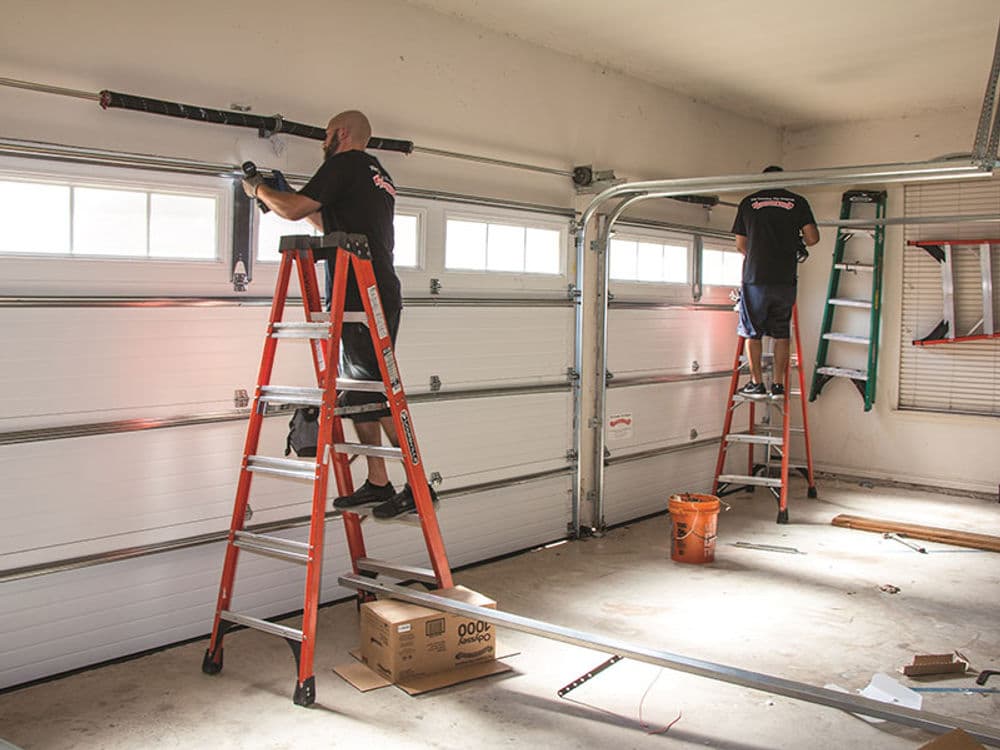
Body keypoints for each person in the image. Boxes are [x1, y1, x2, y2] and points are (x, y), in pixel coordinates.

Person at [243, 109, 427, 519]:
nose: (323, 142)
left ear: (340, 134)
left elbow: (291, 212)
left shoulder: (344, 163)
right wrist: (286, 193)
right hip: (364, 289)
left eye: (326, 135)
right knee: (362, 390)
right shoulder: (373, 172)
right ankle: (379, 481)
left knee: (374, 391)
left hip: (363, 291)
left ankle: (418, 486)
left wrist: (259, 191)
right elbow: (323, 219)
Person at [731, 166, 820, 399]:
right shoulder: (798, 202)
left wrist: (761, 253)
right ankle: (778, 385)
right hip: (784, 278)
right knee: (781, 333)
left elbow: (741, 245)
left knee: (753, 332)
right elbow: (812, 239)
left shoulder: (748, 202)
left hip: (755, 278)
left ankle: (757, 383)